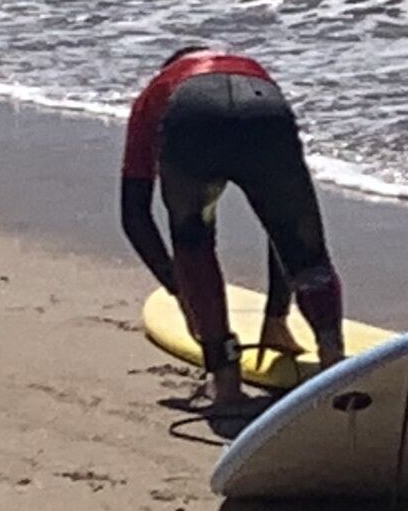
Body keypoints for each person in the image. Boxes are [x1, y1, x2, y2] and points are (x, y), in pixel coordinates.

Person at [118, 47, 346, 421]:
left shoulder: (155, 95)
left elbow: (134, 215)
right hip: (263, 105)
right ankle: (334, 366)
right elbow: (280, 236)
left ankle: (226, 385)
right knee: (301, 246)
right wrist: (276, 314)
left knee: (194, 239)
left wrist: (180, 289)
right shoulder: (248, 69)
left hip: (192, 118)